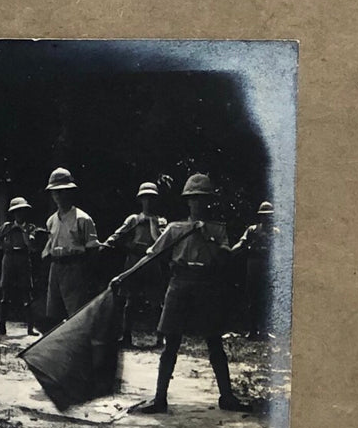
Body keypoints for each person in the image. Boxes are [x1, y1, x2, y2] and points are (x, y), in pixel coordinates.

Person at [115, 174, 249, 413]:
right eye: (194, 199)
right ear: (187, 201)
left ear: (209, 202)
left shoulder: (218, 230)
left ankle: (227, 396)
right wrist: (124, 276)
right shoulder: (176, 229)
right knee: (170, 343)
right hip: (180, 284)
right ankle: (159, 399)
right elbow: (151, 255)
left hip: (206, 285)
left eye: (203, 199)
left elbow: (224, 258)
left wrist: (206, 236)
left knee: (214, 341)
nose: (199, 204)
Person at [99, 182, 169, 347]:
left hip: (152, 261)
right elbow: (119, 234)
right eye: (145, 198)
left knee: (156, 301)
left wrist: (153, 224)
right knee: (130, 300)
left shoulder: (161, 221)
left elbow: (162, 240)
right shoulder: (133, 219)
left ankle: (160, 337)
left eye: (152, 198)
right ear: (140, 200)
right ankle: (127, 336)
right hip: (134, 260)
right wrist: (108, 243)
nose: (149, 202)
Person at [44, 166, 102, 323]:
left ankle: (78, 346)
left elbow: (93, 250)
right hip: (56, 267)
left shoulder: (83, 219)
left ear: (70, 192)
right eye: (55, 191)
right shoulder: (51, 220)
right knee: (53, 314)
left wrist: (86, 274)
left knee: (76, 313)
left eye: (62, 191)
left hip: (75, 267)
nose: (58, 195)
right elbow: (48, 248)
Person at [0, 196, 43, 337]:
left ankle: (30, 328)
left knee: (26, 293)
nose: (20, 214)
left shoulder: (31, 228)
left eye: (22, 211)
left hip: (23, 258)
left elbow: (31, 246)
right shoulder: (7, 227)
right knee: (5, 292)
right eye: (17, 212)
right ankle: (1, 327)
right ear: (13, 213)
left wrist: (22, 231)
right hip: (9, 258)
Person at [232, 199, 274, 338]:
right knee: (252, 297)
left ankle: (264, 330)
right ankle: (252, 330)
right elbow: (242, 243)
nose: (266, 217)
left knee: (266, 298)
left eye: (269, 215)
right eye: (264, 215)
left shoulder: (276, 232)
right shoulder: (252, 230)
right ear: (260, 216)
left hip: (268, 266)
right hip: (254, 265)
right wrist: (230, 252)